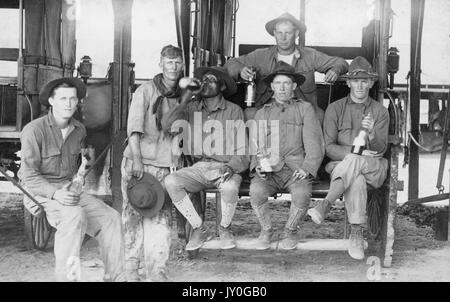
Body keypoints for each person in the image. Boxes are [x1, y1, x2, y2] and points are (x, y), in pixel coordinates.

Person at [18, 77, 125, 282]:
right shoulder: (33, 130)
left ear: (78, 103)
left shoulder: (79, 130)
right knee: (74, 216)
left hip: (68, 190)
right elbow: (29, 175)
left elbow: (75, 166)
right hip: (40, 191)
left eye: (73, 99)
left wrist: (79, 174)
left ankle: (116, 277)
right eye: (63, 98)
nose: (68, 104)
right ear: (51, 101)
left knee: (111, 218)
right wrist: (56, 194)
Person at [306, 56, 389, 260]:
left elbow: (380, 149)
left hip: (374, 166)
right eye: (356, 80)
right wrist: (355, 152)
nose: (360, 85)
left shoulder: (380, 111)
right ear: (348, 82)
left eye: (364, 81)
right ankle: (356, 234)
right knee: (356, 177)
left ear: (371, 83)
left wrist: (371, 135)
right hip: (341, 165)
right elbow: (328, 147)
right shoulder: (335, 109)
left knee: (359, 165)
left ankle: (326, 204)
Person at [163, 66, 249, 251]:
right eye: (203, 80)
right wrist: (185, 99)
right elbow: (167, 125)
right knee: (171, 181)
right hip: (199, 167)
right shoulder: (191, 107)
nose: (205, 83)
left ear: (222, 87)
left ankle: (224, 228)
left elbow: (243, 149)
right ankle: (198, 228)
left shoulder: (233, 111)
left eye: (210, 80)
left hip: (225, 167)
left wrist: (232, 167)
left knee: (229, 187)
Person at [120, 45, 185, 281]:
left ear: (182, 64)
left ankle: (157, 270)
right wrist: (137, 160)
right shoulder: (145, 91)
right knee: (132, 216)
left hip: (164, 166)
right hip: (139, 163)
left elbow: (181, 133)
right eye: (169, 62)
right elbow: (134, 128)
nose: (173, 66)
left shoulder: (181, 96)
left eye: (177, 62)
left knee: (161, 218)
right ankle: (130, 270)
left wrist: (176, 160)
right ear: (160, 64)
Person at [248, 61, 324, 250]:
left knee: (301, 193)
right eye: (278, 83)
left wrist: (307, 168)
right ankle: (266, 230)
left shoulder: (305, 109)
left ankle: (290, 231)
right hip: (270, 170)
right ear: (272, 86)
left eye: (286, 83)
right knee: (256, 191)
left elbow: (315, 143)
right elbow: (255, 146)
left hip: (296, 169)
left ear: (294, 86)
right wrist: (257, 165)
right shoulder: (262, 113)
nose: (282, 88)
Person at [224, 12, 348, 123]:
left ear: (297, 33)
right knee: (249, 114)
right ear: (274, 33)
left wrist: (335, 70)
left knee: (319, 116)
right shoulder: (261, 55)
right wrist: (241, 69)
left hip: (302, 108)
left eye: (288, 33)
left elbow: (341, 62)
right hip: (267, 108)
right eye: (279, 32)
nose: (283, 38)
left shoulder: (310, 55)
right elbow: (230, 64)